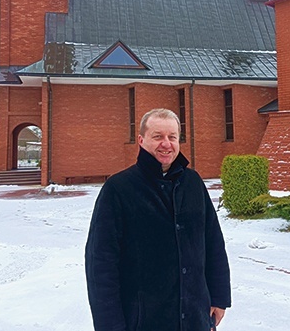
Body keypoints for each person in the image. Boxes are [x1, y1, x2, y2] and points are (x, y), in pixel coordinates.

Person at [85, 108, 231, 331]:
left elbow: (213, 243)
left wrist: (219, 298)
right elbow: (101, 264)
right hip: (143, 320)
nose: (166, 143)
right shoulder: (119, 189)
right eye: (158, 136)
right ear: (142, 140)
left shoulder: (193, 183)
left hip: (194, 316)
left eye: (172, 137)